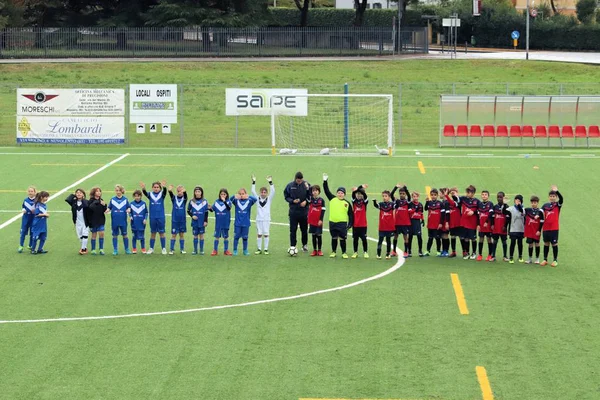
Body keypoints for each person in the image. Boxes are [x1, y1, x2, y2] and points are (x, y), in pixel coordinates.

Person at [322, 173, 353, 259]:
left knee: (342, 238)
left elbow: (351, 214)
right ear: (336, 193)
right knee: (334, 237)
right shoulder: (332, 199)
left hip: (342, 223)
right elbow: (326, 190)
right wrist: (325, 181)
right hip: (332, 222)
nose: (340, 194)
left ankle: (344, 252)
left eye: (342, 193)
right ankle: (333, 251)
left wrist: (350, 224)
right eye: (339, 193)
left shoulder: (347, 203)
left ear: (344, 194)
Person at [284, 172, 311, 252]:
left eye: (301, 180)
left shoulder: (307, 185)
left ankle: (304, 245)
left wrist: (306, 202)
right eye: (298, 181)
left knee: (304, 229)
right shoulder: (290, 186)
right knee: (293, 230)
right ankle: (293, 246)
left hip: (304, 212)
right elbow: (286, 196)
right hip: (293, 212)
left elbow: (310, 195)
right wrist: (292, 201)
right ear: (295, 179)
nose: (299, 182)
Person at [140, 180, 168, 255]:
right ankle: (151, 248)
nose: (156, 188)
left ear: (160, 188)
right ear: (152, 188)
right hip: (152, 217)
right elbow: (145, 193)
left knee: (162, 233)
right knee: (153, 233)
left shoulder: (162, 195)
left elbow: (165, 192)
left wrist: (164, 187)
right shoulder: (150, 195)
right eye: (154, 187)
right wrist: (143, 188)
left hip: (161, 217)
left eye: (157, 187)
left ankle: (163, 248)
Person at [252, 175, 275, 255]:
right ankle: (259, 249)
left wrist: (270, 182)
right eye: (262, 192)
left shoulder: (269, 199)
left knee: (266, 234)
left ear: (267, 193)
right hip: (259, 219)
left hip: (266, 219)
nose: (263, 193)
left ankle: (265, 249)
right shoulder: (257, 199)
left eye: (265, 192)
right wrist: (254, 182)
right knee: (259, 234)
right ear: (260, 193)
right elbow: (253, 191)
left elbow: (273, 191)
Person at [541, 185, 563, 267]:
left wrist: (557, 191)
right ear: (548, 197)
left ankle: (555, 260)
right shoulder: (545, 206)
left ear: (556, 197)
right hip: (546, 228)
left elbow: (562, 199)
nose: (552, 197)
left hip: (554, 228)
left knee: (554, 244)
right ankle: (545, 259)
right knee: (546, 243)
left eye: (554, 196)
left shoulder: (558, 205)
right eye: (551, 196)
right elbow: (540, 213)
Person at [230, 187, 257, 256]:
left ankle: (245, 250)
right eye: (240, 194)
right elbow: (230, 199)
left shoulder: (249, 201)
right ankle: (235, 250)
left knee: (245, 237)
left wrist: (248, 196)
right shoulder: (236, 201)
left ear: (245, 194)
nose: (241, 195)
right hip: (238, 223)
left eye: (243, 194)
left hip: (246, 223)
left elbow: (255, 199)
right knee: (236, 237)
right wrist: (236, 195)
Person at [65, 188, 90, 255]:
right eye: (77, 193)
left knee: (85, 234)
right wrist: (74, 195)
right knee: (80, 236)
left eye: (80, 193)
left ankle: (83, 249)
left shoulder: (86, 202)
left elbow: (87, 206)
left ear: (83, 195)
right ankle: (84, 247)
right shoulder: (74, 202)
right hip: (77, 222)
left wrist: (82, 198)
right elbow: (67, 199)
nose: (79, 194)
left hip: (85, 221)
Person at [108, 184, 131, 256]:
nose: (118, 192)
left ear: (122, 191)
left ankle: (127, 249)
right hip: (114, 221)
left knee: (125, 235)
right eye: (117, 190)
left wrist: (128, 209)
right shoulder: (112, 199)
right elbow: (109, 207)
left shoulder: (125, 199)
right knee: (115, 235)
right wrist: (106, 210)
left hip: (123, 220)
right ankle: (115, 249)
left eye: (119, 190)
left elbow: (129, 207)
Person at [459, 185, 480, 260]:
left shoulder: (477, 201)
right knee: (466, 239)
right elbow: (456, 199)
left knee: (473, 239)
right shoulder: (463, 199)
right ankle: (467, 252)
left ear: (473, 193)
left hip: (472, 223)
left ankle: (474, 253)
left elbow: (479, 212)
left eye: (470, 192)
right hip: (465, 223)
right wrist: (452, 193)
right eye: (467, 192)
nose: (468, 193)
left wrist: (473, 212)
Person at [373, 190, 395, 259]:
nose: (384, 197)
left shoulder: (392, 204)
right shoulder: (381, 204)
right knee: (380, 240)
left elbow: (396, 205)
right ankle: (378, 254)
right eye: (383, 196)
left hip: (389, 227)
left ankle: (387, 254)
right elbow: (376, 205)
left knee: (388, 241)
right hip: (382, 227)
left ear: (389, 197)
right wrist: (374, 202)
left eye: (386, 196)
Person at [187, 186, 209, 255]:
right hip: (195, 222)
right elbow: (188, 210)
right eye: (196, 192)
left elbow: (206, 212)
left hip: (202, 222)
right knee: (195, 235)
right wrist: (192, 216)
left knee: (201, 235)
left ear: (201, 193)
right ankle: (195, 250)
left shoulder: (204, 201)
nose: (197, 193)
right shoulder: (191, 201)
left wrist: (205, 221)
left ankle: (201, 250)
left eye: (199, 191)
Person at [211, 189, 232, 256]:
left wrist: (224, 201)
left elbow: (228, 208)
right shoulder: (216, 202)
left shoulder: (228, 202)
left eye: (224, 194)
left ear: (226, 195)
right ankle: (215, 250)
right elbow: (212, 209)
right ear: (219, 195)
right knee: (217, 236)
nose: (223, 195)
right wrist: (209, 208)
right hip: (218, 223)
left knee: (226, 237)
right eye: (221, 194)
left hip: (225, 222)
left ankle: (226, 250)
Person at [391, 184, 411, 257]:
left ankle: (406, 251)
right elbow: (391, 194)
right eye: (400, 194)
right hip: (397, 223)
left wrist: (406, 188)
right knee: (395, 236)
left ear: (405, 194)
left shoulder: (407, 201)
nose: (402, 195)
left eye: (403, 194)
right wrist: (395, 187)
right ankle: (394, 251)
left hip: (405, 223)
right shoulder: (397, 201)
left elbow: (409, 196)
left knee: (405, 237)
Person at [491, 191, 511, 262]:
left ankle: (505, 256)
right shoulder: (494, 207)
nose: (499, 198)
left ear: (503, 198)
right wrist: (492, 224)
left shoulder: (507, 207)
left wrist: (505, 226)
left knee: (504, 242)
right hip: (496, 228)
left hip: (503, 228)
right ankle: (493, 256)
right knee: (494, 242)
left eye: (500, 197)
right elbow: (492, 216)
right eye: (498, 197)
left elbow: (508, 218)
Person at [524, 195, 544, 264]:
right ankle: (530, 259)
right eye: (532, 203)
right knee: (530, 244)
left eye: (535, 203)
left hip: (536, 231)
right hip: (530, 231)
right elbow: (521, 210)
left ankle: (537, 259)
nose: (533, 204)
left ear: (537, 203)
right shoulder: (528, 210)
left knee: (537, 244)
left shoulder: (540, 212)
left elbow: (541, 221)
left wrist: (539, 230)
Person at [168, 184, 188, 255]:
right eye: (178, 191)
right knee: (173, 235)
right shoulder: (174, 198)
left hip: (182, 220)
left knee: (181, 235)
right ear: (177, 192)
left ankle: (182, 249)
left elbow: (186, 196)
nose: (180, 192)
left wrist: (184, 191)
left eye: (181, 191)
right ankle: (171, 249)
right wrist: (170, 190)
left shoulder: (184, 199)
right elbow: (170, 194)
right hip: (175, 220)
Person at [351, 184, 369, 259]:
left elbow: (364, 195)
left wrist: (360, 188)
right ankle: (355, 252)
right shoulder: (354, 201)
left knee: (364, 239)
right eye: (357, 194)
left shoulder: (365, 202)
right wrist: (359, 187)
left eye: (360, 194)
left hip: (363, 224)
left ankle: (365, 252)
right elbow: (353, 194)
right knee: (355, 239)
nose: (359, 195)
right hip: (355, 224)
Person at [424, 188, 444, 256]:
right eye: (432, 195)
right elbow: (425, 209)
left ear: (437, 195)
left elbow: (442, 215)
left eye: (435, 195)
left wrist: (441, 223)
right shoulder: (429, 202)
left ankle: (438, 251)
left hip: (437, 224)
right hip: (430, 224)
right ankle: (427, 251)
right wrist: (426, 201)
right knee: (430, 238)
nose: (433, 196)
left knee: (437, 238)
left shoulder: (440, 204)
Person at [444, 187, 462, 258]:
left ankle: (464, 252)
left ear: (457, 193)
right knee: (453, 237)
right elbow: (447, 214)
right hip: (452, 223)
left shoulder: (459, 201)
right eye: (451, 193)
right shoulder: (448, 203)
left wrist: (446, 196)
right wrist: (447, 222)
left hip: (459, 223)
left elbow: (453, 203)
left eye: (454, 192)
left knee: (461, 237)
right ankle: (453, 251)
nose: (453, 194)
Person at [308, 185, 326, 256]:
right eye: (313, 191)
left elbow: (323, 210)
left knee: (319, 235)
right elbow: (308, 192)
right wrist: (308, 186)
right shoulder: (311, 199)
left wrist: (321, 220)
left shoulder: (321, 200)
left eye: (316, 191)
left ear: (319, 192)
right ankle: (314, 250)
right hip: (312, 221)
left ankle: (320, 250)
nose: (314, 192)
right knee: (313, 235)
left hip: (318, 221)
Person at [88, 187, 107, 255]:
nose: (99, 192)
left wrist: (104, 205)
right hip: (93, 221)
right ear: (94, 193)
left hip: (101, 220)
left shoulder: (101, 200)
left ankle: (101, 249)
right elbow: (90, 208)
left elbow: (104, 209)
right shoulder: (90, 201)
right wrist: (96, 202)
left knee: (101, 233)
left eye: (99, 191)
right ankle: (93, 249)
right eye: (97, 191)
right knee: (94, 235)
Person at [507, 194, 525, 264]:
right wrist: (504, 204)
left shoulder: (523, 209)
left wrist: (519, 205)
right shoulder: (511, 208)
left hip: (521, 229)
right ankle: (511, 257)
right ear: (514, 200)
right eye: (516, 200)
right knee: (512, 243)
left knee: (520, 243)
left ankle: (520, 256)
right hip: (513, 229)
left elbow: (521, 210)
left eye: (519, 201)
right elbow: (504, 212)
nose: (517, 201)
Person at [18, 186, 36, 253]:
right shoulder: (25, 200)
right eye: (29, 191)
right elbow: (23, 206)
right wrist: (23, 210)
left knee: (32, 232)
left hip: (33, 219)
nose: (30, 193)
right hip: (25, 218)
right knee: (23, 232)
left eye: (32, 191)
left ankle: (30, 245)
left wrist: (35, 211)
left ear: (34, 192)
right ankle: (21, 246)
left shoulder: (36, 200)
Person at [477, 190, 494, 261]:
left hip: (488, 225)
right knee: (481, 239)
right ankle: (480, 255)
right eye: (483, 194)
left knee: (489, 239)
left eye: (485, 195)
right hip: (481, 225)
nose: (484, 196)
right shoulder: (479, 204)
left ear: (488, 196)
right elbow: (478, 215)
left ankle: (490, 255)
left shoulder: (490, 204)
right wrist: (478, 224)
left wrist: (487, 222)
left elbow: (490, 214)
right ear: (481, 196)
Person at [130, 190, 148, 254]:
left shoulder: (143, 203)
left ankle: (143, 248)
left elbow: (146, 212)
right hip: (134, 223)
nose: (137, 197)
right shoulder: (131, 204)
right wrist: (130, 216)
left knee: (142, 236)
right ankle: (134, 248)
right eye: (135, 196)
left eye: (138, 196)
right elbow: (130, 212)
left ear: (140, 196)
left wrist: (145, 219)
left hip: (141, 223)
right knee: (134, 236)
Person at [408, 191, 425, 257]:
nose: (415, 198)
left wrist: (423, 220)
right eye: (414, 196)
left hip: (417, 222)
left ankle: (420, 251)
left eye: (416, 196)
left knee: (419, 236)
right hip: (411, 221)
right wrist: (414, 209)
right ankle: (409, 251)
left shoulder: (420, 204)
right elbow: (409, 211)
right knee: (410, 237)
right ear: (412, 197)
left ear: (418, 197)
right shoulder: (410, 204)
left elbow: (421, 213)